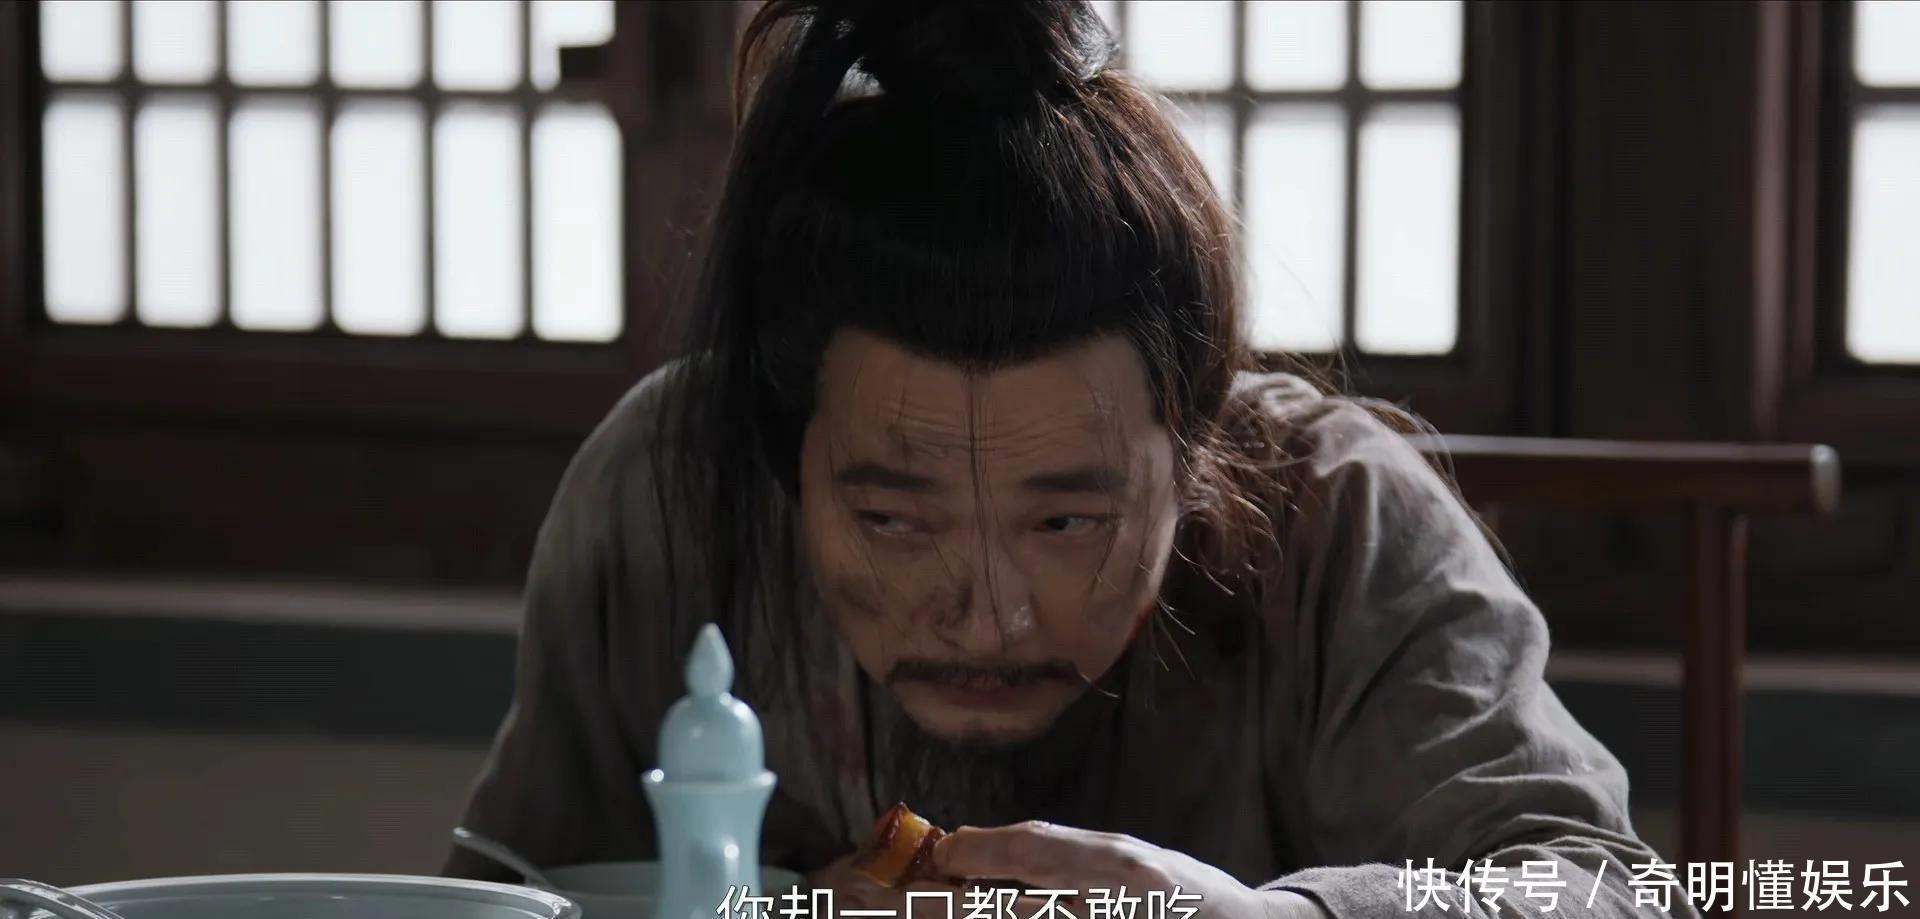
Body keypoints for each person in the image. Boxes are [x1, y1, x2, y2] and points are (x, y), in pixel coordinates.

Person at [445, 2, 1687, 916]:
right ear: (785, 455)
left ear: (1193, 453)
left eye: (1064, 522)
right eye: (893, 520)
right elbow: (503, 890)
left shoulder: (1339, 515)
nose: (987, 615)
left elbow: (1600, 887)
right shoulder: (669, 487)